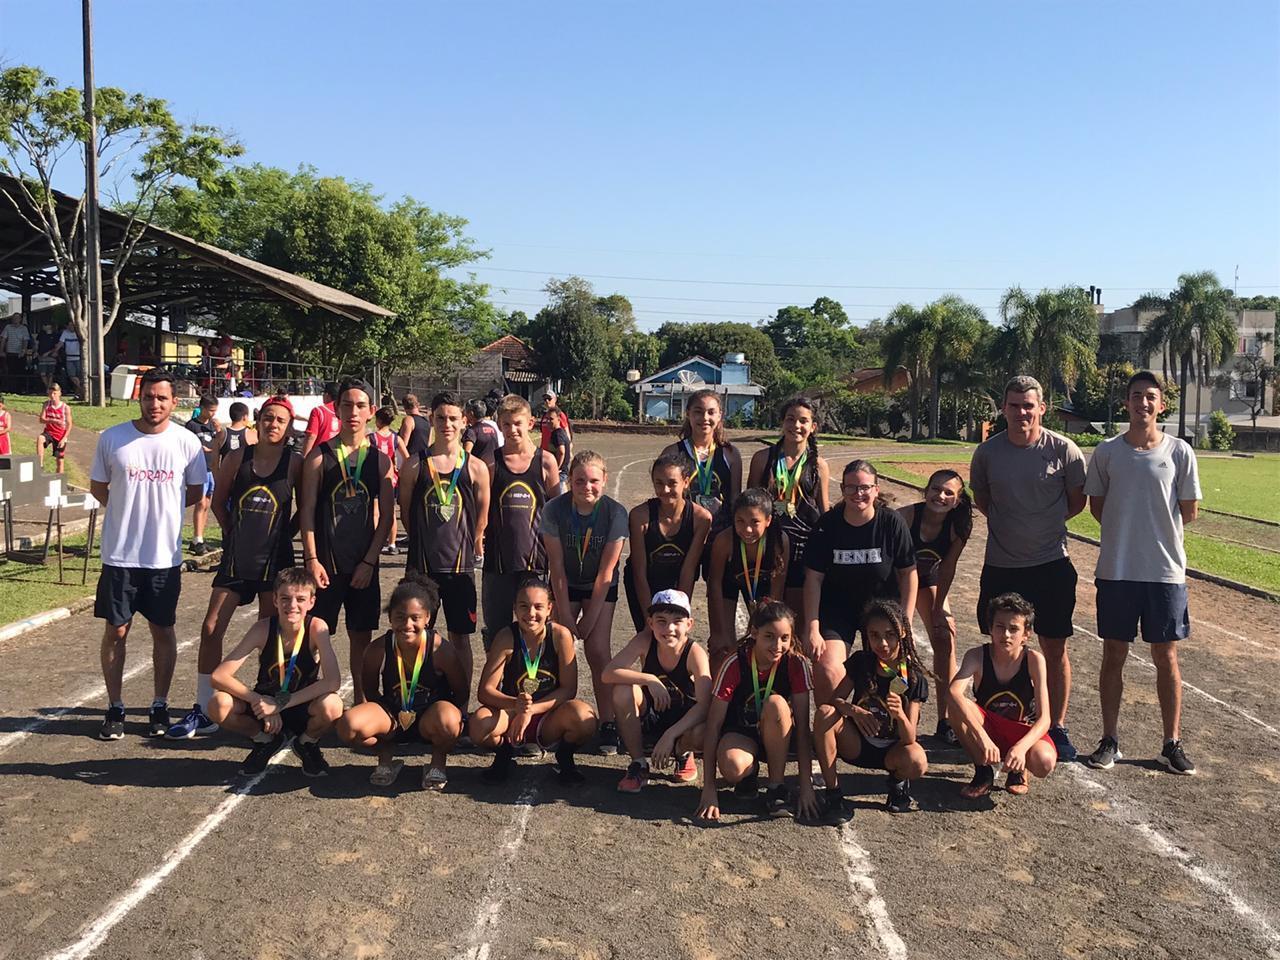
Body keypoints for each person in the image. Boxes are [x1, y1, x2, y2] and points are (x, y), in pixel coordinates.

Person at [1084, 371, 1202, 775]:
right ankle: (1110, 740)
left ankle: (1171, 743)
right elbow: (1097, 507)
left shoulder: (1180, 451)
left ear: (1161, 404)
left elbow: (1189, 511)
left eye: (1151, 397)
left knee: (1165, 655)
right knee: (1113, 653)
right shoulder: (1107, 452)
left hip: (1165, 573)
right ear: (1127, 403)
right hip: (1117, 570)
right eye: (1136, 396)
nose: (1143, 404)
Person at [167, 396, 301, 739]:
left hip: (275, 562)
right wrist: (233, 534)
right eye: (268, 418)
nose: (273, 424)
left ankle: (265, 701)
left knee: (271, 635)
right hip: (237, 559)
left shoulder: (294, 463)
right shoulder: (239, 458)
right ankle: (203, 706)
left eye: (280, 421)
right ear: (258, 420)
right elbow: (218, 501)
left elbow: (306, 509)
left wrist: (286, 533)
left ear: (288, 427)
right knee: (211, 627)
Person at [969, 375, 1087, 761]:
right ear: (1003, 408)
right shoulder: (987, 454)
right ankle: (992, 720)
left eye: (1028, 405)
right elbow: (984, 499)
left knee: (1054, 647)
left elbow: (1075, 503)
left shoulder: (1065, 451)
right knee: (998, 647)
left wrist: (1040, 530)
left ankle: (1057, 726)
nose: (1022, 412)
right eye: (1014, 405)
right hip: (1002, 566)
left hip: (1050, 564)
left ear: (1042, 408)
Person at [91, 369, 207, 740]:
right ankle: (116, 706)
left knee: (163, 630)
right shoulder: (113, 438)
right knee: (117, 630)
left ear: (174, 402)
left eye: (162, 398)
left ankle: (159, 703)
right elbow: (99, 487)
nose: (154, 404)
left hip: (163, 558)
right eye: (148, 396)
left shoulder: (186, 442)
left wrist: (161, 513)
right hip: (120, 556)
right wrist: (128, 512)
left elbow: (193, 492)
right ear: (138, 398)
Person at [299, 378, 396, 704]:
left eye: (359, 405)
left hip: (362, 567)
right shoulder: (318, 457)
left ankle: (362, 701)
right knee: (313, 636)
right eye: (346, 405)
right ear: (336, 408)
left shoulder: (380, 461)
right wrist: (312, 560)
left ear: (371, 411)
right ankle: (307, 700)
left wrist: (370, 561)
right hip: (324, 566)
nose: (353, 412)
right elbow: (307, 511)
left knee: (361, 637)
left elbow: (386, 518)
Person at [207, 567, 344, 776]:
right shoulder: (262, 629)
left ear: (311, 602)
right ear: (274, 600)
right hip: (265, 702)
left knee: (333, 705)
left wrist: (280, 704)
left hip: (300, 704)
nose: (292, 605)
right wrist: (258, 700)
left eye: (300, 599)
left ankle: (307, 742)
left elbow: (333, 682)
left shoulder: (316, 627)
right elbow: (219, 676)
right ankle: (264, 740)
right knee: (218, 704)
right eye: (285, 598)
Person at [336, 574, 467, 789]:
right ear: (390, 619)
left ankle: (437, 762)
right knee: (348, 726)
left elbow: (461, 692)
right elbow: (370, 691)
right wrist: (389, 717)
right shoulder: (377, 649)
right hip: (394, 717)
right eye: (400, 617)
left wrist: (442, 713)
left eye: (415, 618)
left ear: (428, 618)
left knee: (450, 721)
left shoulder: (441, 650)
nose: (407, 624)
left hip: (430, 718)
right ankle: (385, 755)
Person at [399, 392, 490, 701]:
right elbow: (407, 514)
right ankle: (418, 699)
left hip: (460, 569)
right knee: (416, 638)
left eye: (453, 418)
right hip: (422, 570)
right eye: (441, 418)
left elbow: (481, 518)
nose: (447, 424)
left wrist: (467, 545)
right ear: (431, 420)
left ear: (464, 421)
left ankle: (461, 704)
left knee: (461, 638)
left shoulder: (476, 468)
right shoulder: (414, 465)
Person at [803, 460, 917, 704]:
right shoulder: (827, 525)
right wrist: (812, 627)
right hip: (838, 609)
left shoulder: (891, 522)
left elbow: (908, 573)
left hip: (881, 610)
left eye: (865, 487)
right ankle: (829, 733)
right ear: (842, 489)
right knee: (827, 668)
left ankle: (878, 732)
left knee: (884, 675)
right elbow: (813, 578)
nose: (858, 494)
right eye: (851, 487)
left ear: (876, 489)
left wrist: (903, 622)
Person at [469, 575, 598, 784]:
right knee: (478, 724)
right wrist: (517, 706)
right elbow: (485, 691)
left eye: (538, 607)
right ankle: (504, 754)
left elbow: (568, 690)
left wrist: (530, 710)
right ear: (515, 609)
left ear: (550, 609)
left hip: (549, 717)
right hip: (512, 716)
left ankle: (564, 756)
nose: (531, 613)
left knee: (585, 718)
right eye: (524, 606)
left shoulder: (560, 636)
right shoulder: (506, 636)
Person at [696, 600, 819, 821]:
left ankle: (776, 787)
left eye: (784, 638)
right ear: (754, 633)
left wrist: (806, 787)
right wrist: (709, 789)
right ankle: (748, 777)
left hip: (780, 734)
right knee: (733, 766)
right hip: (742, 733)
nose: (777, 645)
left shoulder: (796, 664)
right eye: (769, 636)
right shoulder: (734, 662)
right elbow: (713, 726)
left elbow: (802, 728)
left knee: (776, 704)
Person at [540, 450, 629, 753]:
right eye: (579, 481)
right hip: (565, 584)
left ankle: (607, 722)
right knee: (555, 647)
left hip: (599, 586)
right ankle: (549, 717)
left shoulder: (615, 513)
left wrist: (589, 619)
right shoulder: (554, 510)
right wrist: (564, 614)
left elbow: (606, 572)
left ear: (605, 480)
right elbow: (556, 567)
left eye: (593, 481)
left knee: (597, 649)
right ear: (569, 482)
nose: (586, 487)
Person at [814, 599, 929, 820]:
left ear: (903, 632)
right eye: (874, 635)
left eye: (890, 634)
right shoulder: (861, 662)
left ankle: (897, 782)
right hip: (856, 744)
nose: (882, 643)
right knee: (824, 714)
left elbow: (910, 738)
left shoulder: (913, 677)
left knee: (917, 760)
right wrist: (855, 711)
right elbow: (835, 700)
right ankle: (833, 794)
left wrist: (901, 717)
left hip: (892, 751)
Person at [949, 593, 1057, 798]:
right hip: (988, 728)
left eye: (1014, 629)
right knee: (955, 705)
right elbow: (953, 692)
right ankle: (983, 772)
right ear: (990, 628)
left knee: (1044, 762)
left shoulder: (1034, 660)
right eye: (999, 627)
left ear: (1026, 634)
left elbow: (1044, 719)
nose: (1005, 634)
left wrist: (1021, 747)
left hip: (1021, 730)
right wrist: (982, 738)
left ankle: (1019, 769)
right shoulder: (976, 656)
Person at [604, 589, 711, 793]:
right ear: (650, 623)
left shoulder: (695, 653)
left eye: (677, 621)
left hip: (682, 725)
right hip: (652, 716)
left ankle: (682, 753)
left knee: (704, 730)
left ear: (689, 625)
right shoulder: (644, 641)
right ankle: (639, 763)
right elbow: (608, 673)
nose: (669, 628)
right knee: (622, 689)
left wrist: (671, 735)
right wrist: (649, 679)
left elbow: (706, 705)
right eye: (661, 620)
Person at [661, 389, 743, 642]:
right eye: (698, 411)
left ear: (720, 415)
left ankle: (721, 662)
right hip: (683, 538)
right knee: (675, 611)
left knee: (722, 624)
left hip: (719, 540)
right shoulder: (673, 451)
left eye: (711, 412)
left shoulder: (730, 454)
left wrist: (730, 543)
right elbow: (666, 499)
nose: (704, 418)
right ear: (688, 414)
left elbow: (734, 502)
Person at [897, 469, 972, 743]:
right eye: (935, 489)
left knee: (945, 637)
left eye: (948, 493)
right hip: (898, 579)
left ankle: (946, 719)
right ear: (925, 491)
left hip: (928, 578)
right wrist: (901, 611)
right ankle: (893, 714)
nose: (940, 496)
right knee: (896, 641)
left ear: (958, 500)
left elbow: (948, 568)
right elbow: (894, 567)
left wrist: (939, 608)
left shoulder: (958, 524)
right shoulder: (905, 517)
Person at [481, 394, 561, 649]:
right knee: (497, 632)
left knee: (535, 629)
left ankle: (535, 683)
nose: (512, 430)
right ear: (499, 425)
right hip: (498, 562)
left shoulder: (546, 462)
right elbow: (481, 509)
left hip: (535, 562)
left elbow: (556, 513)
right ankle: (499, 685)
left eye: (517, 423)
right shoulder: (491, 463)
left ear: (530, 423)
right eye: (506, 424)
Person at [747, 397, 831, 615]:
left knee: (796, 615)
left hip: (803, 548)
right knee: (766, 614)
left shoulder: (819, 466)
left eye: (803, 421)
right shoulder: (762, 459)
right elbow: (749, 504)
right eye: (790, 419)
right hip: (769, 545)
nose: (796, 426)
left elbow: (824, 512)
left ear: (813, 427)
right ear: (782, 422)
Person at [622, 453, 713, 633]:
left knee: (674, 638)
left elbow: (689, 570)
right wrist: (651, 617)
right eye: (659, 483)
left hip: (678, 582)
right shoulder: (640, 516)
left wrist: (680, 612)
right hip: (644, 584)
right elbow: (639, 572)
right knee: (648, 638)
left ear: (686, 482)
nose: (665, 489)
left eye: (672, 483)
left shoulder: (701, 518)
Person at [707, 488, 789, 664]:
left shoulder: (779, 542)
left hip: (765, 587)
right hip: (730, 583)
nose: (747, 529)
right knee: (722, 648)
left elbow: (777, 591)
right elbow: (714, 584)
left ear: (768, 520)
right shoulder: (724, 540)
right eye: (740, 521)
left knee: (765, 642)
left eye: (755, 522)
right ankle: (719, 689)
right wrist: (718, 632)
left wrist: (762, 627)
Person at [184, 397, 223, 557]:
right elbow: (185, 444)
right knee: (200, 503)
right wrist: (200, 448)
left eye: (215, 410)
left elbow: (220, 442)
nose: (213, 413)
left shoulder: (212, 425)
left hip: (211, 468)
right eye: (211, 410)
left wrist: (219, 431)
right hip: (197, 468)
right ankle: (197, 539)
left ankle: (198, 539)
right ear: (202, 408)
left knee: (207, 503)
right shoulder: (192, 425)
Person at [371, 406, 410, 555]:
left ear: (378, 420)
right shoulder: (396, 438)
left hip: (375, 476)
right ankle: (392, 543)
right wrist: (400, 471)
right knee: (391, 511)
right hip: (391, 478)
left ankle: (376, 542)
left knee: (375, 512)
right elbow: (407, 457)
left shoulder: (372, 438)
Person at [37, 382, 72, 475]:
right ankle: (39, 465)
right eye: (50, 394)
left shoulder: (65, 407)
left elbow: (69, 424)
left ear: (59, 393)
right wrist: (53, 421)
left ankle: (59, 479)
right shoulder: (46, 404)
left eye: (54, 393)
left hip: (60, 435)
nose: (52, 396)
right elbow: (41, 419)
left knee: (60, 461)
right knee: (40, 438)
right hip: (49, 432)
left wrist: (64, 438)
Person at [300, 382, 340, 457]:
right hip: (340, 456)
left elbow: (311, 436)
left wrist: (305, 458)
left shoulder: (318, 411)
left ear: (327, 395)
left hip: (320, 456)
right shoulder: (343, 411)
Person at [462, 398, 502, 465]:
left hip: (477, 470)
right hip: (493, 468)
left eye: (466, 412)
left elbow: (466, 455)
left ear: (471, 413)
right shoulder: (492, 428)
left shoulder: (472, 431)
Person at [398, 393, 433, 461]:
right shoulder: (427, 421)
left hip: (411, 459)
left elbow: (403, 444)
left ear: (404, 407)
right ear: (417, 405)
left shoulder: (409, 419)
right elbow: (429, 444)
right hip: (424, 459)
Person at [2, 313, 31, 384]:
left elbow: (25, 340)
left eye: (17, 318)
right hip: (10, 352)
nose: (16, 319)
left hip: (20, 353)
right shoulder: (8, 327)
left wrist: (23, 350)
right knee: (11, 371)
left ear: (20, 319)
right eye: (14, 318)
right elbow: (3, 339)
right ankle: (11, 388)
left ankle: (20, 388)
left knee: (20, 371)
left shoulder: (24, 328)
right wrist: (1, 351)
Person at [58, 320, 83, 396]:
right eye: (70, 325)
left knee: (79, 376)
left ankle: (78, 392)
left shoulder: (80, 333)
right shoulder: (65, 333)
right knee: (71, 375)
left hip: (79, 357)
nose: (71, 327)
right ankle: (82, 389)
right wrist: (55, 350)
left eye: (73, 325)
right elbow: (60, 343)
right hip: (69, 357)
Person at [548, 417, 572, 494]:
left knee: (559, 498)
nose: (548, 421)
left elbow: (561, 451)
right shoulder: (561, 432)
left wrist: (556, 468)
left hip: (559, 473)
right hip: (562, 472)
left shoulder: (557, 434)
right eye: (547, 419)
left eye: (551, 419)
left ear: (558, 420)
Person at [36, 323, 59, 389]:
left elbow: (56, 346)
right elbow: (37, 344)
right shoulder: (41, 334)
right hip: (42, 356)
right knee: (42, 373)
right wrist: (36, 352)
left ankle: (49, 388)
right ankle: (48, 387)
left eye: (46, 325)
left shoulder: (55, 335)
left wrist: (49, 353)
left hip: (51, 357)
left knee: (50, 373)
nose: (44, 326)